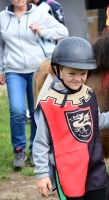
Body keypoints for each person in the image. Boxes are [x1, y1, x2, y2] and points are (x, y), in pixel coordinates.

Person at [33, 37, 109, 199]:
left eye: (83, 73)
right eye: (72, 73)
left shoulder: (88, 95)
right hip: (67, 173)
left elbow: (98, 122)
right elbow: (40, 143)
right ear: (58, 70)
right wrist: (42, 173)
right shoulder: (48, 104)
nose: (78, 78)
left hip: (94, 169)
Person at [0, 0, 68, 170]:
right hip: (13, 70)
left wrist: (42, 31)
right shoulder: (2, 17)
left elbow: (63, 31)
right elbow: (1, 47)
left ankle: (35, 151)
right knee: (17, 110)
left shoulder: (39, 13)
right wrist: (1, 69)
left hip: (38, 70)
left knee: (38, 110)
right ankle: (19, 151)